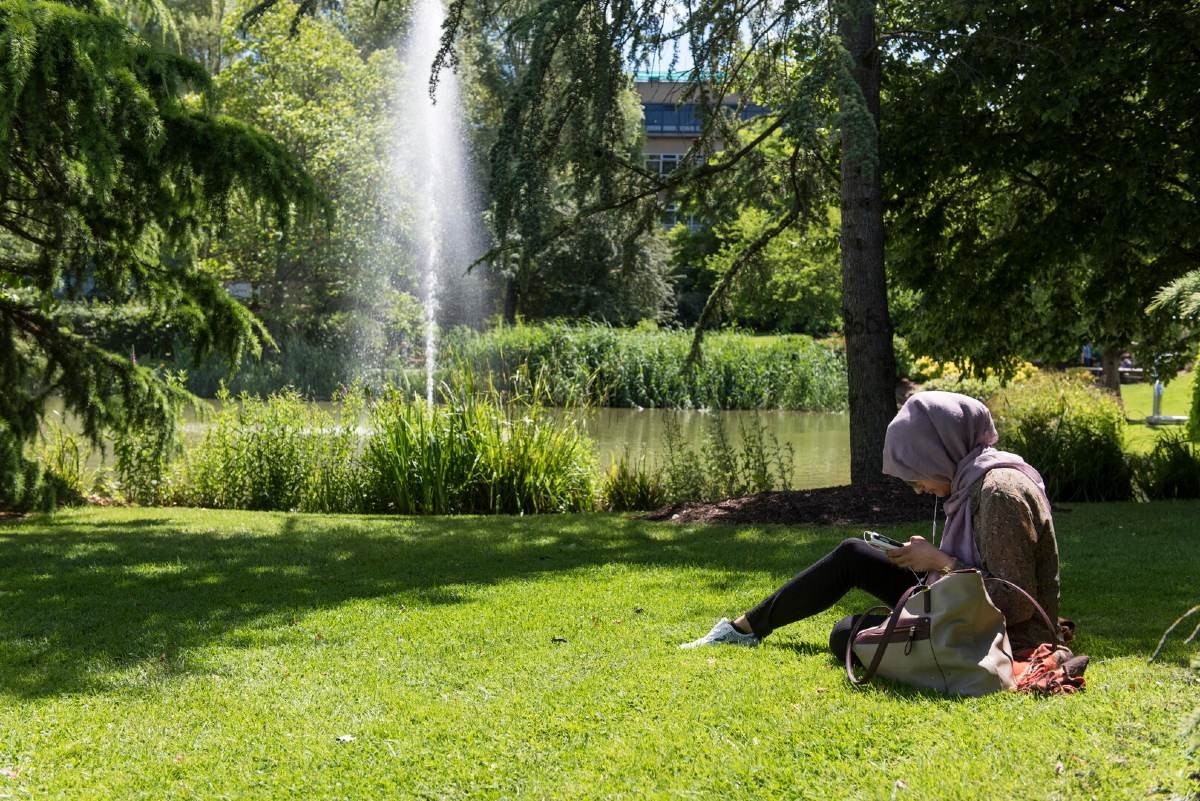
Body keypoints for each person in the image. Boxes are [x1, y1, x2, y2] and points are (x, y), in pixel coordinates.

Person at [680, 391, 1062, 656]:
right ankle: (742, 629)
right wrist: (932, 561)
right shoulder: (971, 479)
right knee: (854, 553)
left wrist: (940, 562)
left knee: (847, 633)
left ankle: (745, 631)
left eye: (917, 476)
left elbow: (1017, 603)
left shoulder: (999, 493)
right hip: (962, 602)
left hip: (1000, 633)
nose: (918, 489)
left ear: (941, 452)